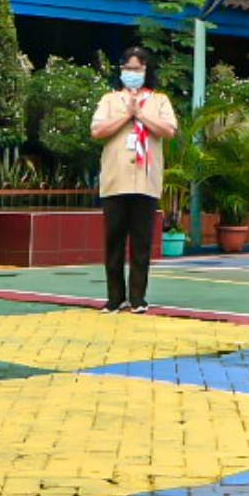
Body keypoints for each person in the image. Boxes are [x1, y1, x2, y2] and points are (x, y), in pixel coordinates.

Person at [93, 47, 178, 313]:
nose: (132, 74)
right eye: (128, 69)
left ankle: (138, 298)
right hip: (115, 181)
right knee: (114, 240)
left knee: (141, 242)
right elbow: (97, 130)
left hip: (145, 180)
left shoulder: (159, 100)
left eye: (137, 69)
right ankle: (114, 297)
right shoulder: (110, 99)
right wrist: (126, 115)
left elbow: (169, 130)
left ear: (146, 71)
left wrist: (140, 114)